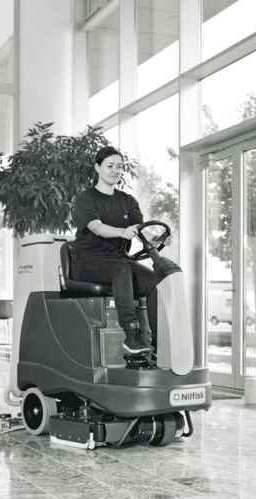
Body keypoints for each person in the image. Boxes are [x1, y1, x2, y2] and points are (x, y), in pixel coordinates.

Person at [71, 146, 159, 355]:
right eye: (110, 166)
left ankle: (158, 341)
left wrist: (158, 238)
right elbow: (96, 227)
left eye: (119, 167)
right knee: (121, 268)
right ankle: (132, 335)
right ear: (97, 168)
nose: (115, 171)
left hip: (119, 261)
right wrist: (122, 232)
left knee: (156, 281)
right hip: (87, 261)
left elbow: (140, 230)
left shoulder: (127, 201)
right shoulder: (86, 198)